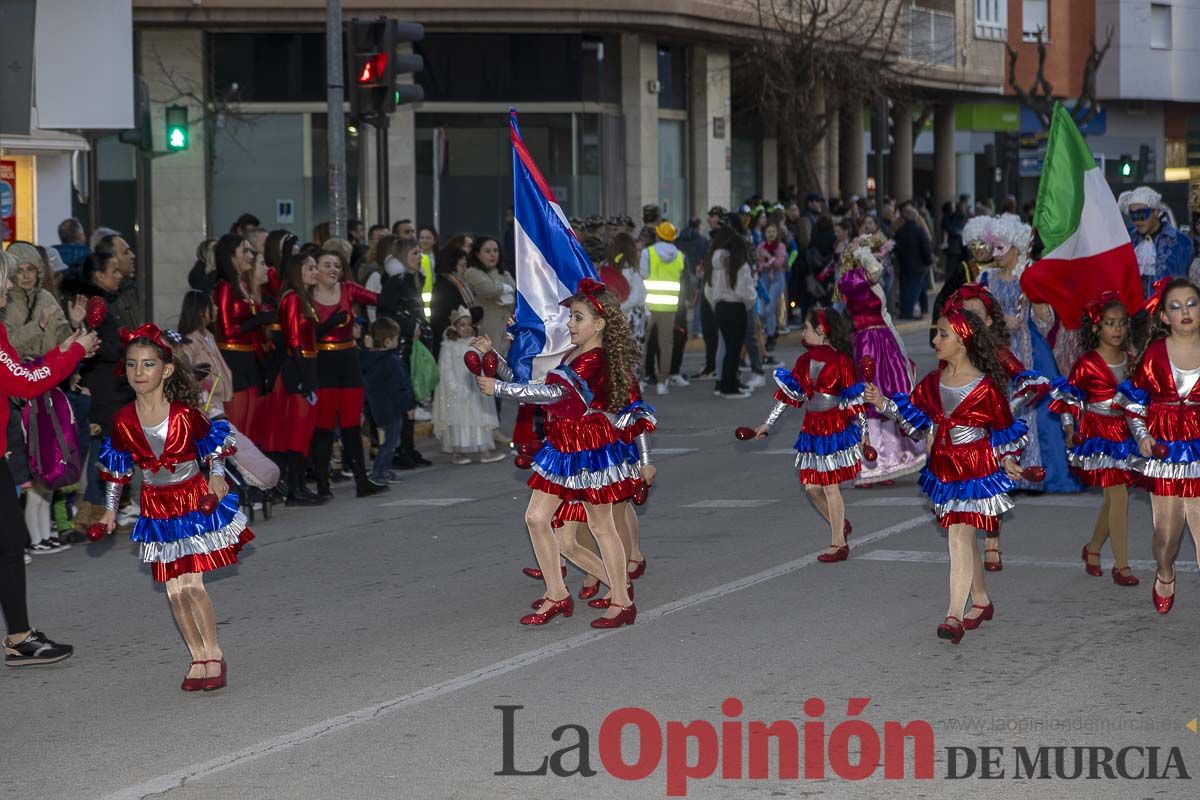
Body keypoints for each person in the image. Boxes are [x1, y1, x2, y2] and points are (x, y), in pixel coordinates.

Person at [474, 279, 642, 628]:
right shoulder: (573, 353)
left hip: (588, 448)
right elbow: (536, 388)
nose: (569, 323)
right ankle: (559, 594)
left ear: (600, 324)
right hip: (561, 444)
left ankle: (622, 599)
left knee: (600, 526)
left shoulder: (594, 360)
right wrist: (495, 361)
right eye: (571, 317)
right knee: (538, 519)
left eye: (578, 318)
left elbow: (553, 395)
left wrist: (499, 387)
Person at [96, 324, 250, 691]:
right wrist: (109, 511)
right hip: (157, 507)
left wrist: (215, 475)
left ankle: (214, 653)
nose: (139, 373)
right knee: (174, 590)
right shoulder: (123, 421)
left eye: (148, 365)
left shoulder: (183, 413)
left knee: (193, 586)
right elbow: (118, 470)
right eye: (132, 365)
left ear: (165, 370)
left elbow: (212, 443)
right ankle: (197, 657)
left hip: (192, 500)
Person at [866, 307, 1027, 645]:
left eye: (942, 334)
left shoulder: (986, 388)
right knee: (965, 539)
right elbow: (916, 418)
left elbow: (1004, 432)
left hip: (976, 470)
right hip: (944, 468)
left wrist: (1009, 459)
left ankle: (953, 615)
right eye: (936, 333)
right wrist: (883, 402)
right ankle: (980, 600)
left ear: (963, 341)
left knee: (957, 537)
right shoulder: (933, 381)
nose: (935, 339)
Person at [752, 308, 864, 561]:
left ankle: (838, 544)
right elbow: (789, 395)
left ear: (821, 331)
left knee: (829, 485)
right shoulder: (803, 362)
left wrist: (864, 434)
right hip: (812, 427)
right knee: (811, 487)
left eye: (806, 327)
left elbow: (854, 401)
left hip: (834, 428)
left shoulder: (841, 361)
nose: (802, 332)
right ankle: (840, 524)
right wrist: (767, 424)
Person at [979, 213, 1079, 494]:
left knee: (1041, 406)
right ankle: (1006, 472)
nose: (995, 254)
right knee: (1002, 407)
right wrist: (996, 319)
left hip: (1031, 349)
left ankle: (1043, 471)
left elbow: (1047, 321)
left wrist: (1036, 307)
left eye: (1001, 248)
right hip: (1000, 351)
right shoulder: (988, 278)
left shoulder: (1031, 276)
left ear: (1017, 247)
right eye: (994, 248)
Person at [1118, 278, 1200, 614]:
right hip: (1165, 450)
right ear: (1164, 316)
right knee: (1167, 535)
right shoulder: (1154, 355)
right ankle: (1165, 568)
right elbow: (1134, 404)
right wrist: (1142, 436)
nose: (1185, 312)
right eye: (1176, 306)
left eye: (1192, 303)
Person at [1049, 292, 1139, 587]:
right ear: (1096, 328)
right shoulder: (1086, 363)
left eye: (1122, 323)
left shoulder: (1131, 359)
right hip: (1098, 433)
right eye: (1110, 323)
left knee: (1114, 497)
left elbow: (1139, 398)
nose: (1117, 330)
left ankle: (1093, 549)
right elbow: (1069, 399)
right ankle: (1122, 566)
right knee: (1119, 497)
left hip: (1124, 433)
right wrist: (1069, 429)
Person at [836, 234, 926, 487]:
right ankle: (867, 463)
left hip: (883, 341)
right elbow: (875, 271)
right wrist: (863, 252)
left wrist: (899, 346)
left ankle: (887, 461)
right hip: (866, 343)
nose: (877, 259)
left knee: (888, 398)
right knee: (868, 401)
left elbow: (884, 314)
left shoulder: (869, 281)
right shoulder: (849, 279)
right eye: (870, 254)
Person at [175, 291, 280, 494]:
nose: (215, 309)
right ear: (200, 311)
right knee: (228, 446)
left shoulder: (208, 336)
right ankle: (244, 487)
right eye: (211, 306)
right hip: (207, 405)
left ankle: (252, 483)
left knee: (237, 443)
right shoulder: (189, 342)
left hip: (220, 399)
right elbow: (188, 375)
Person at [310, 250, 385, 499]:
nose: (333, 269)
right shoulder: (307, 296)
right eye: (327, 264)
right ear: (315, 270)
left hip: (349, 361)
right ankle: (322, 483)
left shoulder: (348, 289)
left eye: (337, 266)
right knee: (324, 427)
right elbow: (306, 335)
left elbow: (378, 299)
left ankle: (362, 482)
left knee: (352, 424)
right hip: (323, 363)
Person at [259, 253, 325, 506]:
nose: (315, 272)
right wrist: (306, 378)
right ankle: (294, 489)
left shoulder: (302, 298)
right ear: (298, 271)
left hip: (306, 365)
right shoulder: (293, 299)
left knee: (303, 430)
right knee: (296, 431)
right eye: (310, 268)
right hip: (297, 369)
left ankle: (298, 486)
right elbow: (295, 340)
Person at [211, 234, 272, 437]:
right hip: (232, 360)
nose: (251, 256)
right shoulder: (225, 287)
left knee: (251, 425)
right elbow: (227, 331)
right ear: (231, 256)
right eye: (245, 251)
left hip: (249, 358)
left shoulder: (243, 286)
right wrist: (258, 320)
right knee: (237, 428)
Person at [432, 308, 505, 465]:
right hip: (458, 389)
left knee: (479, 417)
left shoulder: (475, 343)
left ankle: (485, 451)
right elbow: (446, 369)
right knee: (459, 420)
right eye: (462, 325)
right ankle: (458, 452)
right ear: (454, 327)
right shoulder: (449, 346)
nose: (466, 328)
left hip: (475, 387)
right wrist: (454, 387)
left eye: (469, 324)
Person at [360, 316, 415, 485]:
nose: (398, 341)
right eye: (396, 338)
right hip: (391, 408)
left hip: (377, 407)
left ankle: (382, 470)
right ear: (388, 341)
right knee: (390, 442)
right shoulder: (392, 362)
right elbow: (399, 387)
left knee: (386, 441)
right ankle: (379, 471)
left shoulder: (368, 359)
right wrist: (408, 407)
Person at [704, 227, 756, 399]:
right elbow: (746, 292)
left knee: (728, 348)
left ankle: (726, 384)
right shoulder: (739, 264)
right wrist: (750, 303)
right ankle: (730, 387)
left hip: (720, 307)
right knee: (734, 349)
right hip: (736, 307)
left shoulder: (713, 263)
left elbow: (708, 290)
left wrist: (715, 305)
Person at [640, 221, 688, 395]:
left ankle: (640, 380)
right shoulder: (680, 256)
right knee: (666, 345)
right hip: (669, 307)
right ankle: (663, 382)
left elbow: (643, 274)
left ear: (658, 235)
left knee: (642, 343)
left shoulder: (648, 253)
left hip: (649, 306)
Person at [1118, 186, 1193, 297]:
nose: (1137, 221)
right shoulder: (1126, 240)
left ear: (1156, 212)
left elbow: (1185, 283)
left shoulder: (1181, 243)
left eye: (1142, 214)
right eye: (1133, 215)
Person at [462, 237, 516, 356]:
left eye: (495, 251)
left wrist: (500, 290)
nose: (492, 255)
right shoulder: (472, 272)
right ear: (477, 254)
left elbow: (513, 295)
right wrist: (504, 289)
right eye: (487, 251)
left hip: (506, 330)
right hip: (486, 329)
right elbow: (489, 290)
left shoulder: (505, 273)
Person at [429, 245, 481, 358]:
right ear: (451, 265)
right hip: (451, 343)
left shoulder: (457, 283)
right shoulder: (446, 286)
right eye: (462, 265)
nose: (465, 269)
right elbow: (455, 313)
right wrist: (474, 313)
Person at [892, 205, 932, 320]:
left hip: (905, 265)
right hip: (919, 266)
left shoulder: (899, 231)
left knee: (907, 288)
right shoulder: (920, 231)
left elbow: (896, 248)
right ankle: (907, 312)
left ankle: (922, 309)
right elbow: (926, 248)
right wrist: (928, 261)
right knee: (914, 288)